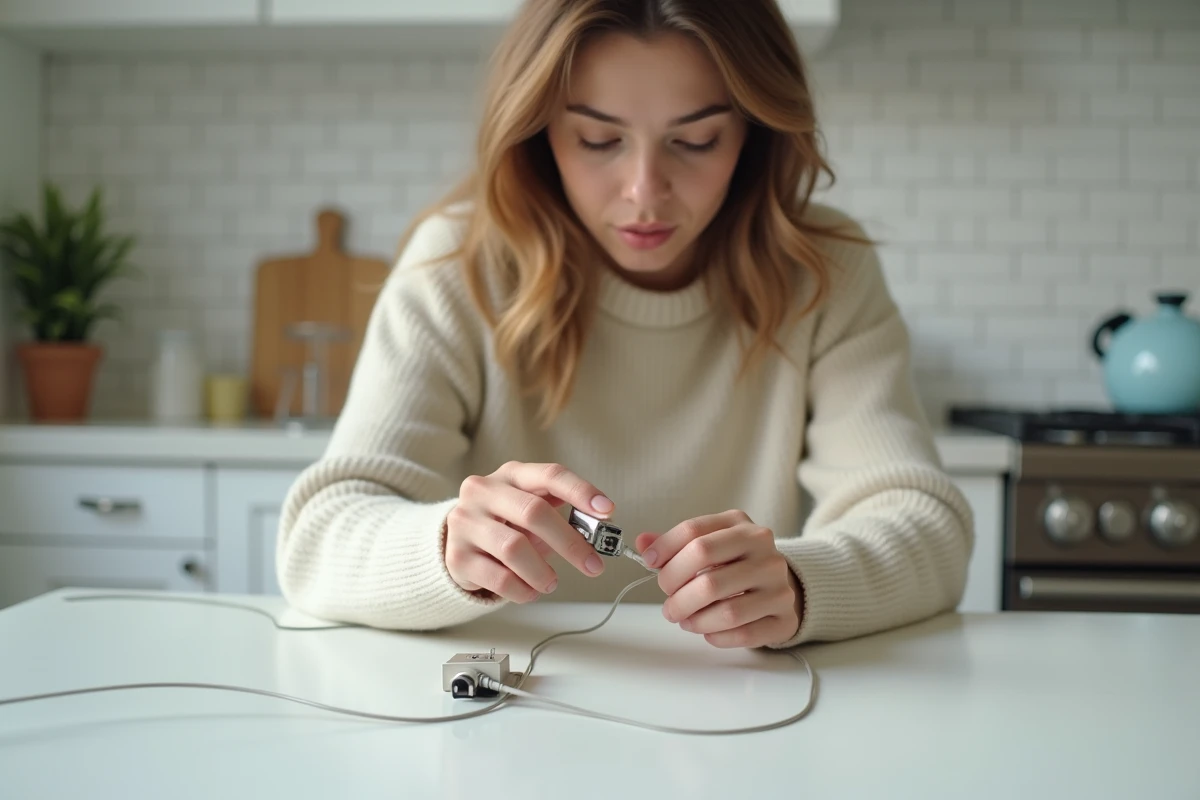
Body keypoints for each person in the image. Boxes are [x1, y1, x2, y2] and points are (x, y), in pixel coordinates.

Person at [275, 0, 974, 651]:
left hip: (740, 715)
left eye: (697, 140)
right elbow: (318, 538)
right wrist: (448, 546)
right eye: (598, 138)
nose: (645, 190)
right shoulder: (459, 266)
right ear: (539, 131)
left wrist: (800, 581)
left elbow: (928, 527)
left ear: (754, 135)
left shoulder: (821, 270)